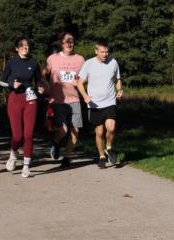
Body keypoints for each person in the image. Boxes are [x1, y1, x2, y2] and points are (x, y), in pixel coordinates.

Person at [0, 36, 47, 178]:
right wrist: (10, 85)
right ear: (16, 48)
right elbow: (1, 81)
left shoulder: (33, 63)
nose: (24, 47)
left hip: (30, 99)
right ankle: (13, 153)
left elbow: (39, 80)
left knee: (28, 134)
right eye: (21, 45)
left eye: (26, 45)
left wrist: (40, 88)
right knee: (18, 136)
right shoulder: (11, 63)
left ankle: (26, 166)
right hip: (15, 99)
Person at [76, 39, 123, 168]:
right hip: (94, 103)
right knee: (100, 132)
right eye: (102, 52)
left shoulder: (113, 63)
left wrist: (119, 90)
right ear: (96, 51)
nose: (105, 55)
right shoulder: (88, 64)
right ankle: (102, 156)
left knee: (111, 127)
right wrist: (85, 96)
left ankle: (109, 147)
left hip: (109, 101)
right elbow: (79, 82)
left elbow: (117, 79)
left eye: (107, 52)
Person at [44, 32, 85, 167]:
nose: (69, 43)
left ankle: (66, 158)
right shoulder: (53, 58)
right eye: (67, 41)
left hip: (74, 99)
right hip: (58, 100)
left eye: (72, 41)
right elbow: (43, 74)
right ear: (62, 43)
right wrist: (45, 86)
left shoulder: (80, 60)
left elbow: (84, 79)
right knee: (63, 130)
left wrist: (78, 83)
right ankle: (56, 143)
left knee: (75, 131)